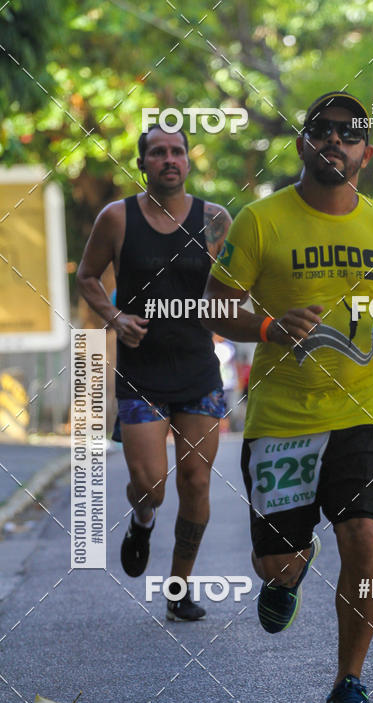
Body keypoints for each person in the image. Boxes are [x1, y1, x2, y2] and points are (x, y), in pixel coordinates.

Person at [203, 91, 373, 703]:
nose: (333, 141)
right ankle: (286, 576)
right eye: (321, 130)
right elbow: (214, 305)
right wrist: (267, 326)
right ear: (302, 145)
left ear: (365, 153)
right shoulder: (260, 221)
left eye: (348, 133)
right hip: (282, 418)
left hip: (363, 409)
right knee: (278, 563)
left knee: (364, 536)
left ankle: (349, 684)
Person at [77, 125, 233, 622]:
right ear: (142, 163)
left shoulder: (214, 220)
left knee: (196, 482)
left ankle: (179, 587)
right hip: (141, 374)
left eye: (178, 151)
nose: (170, 159)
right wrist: (115, 318)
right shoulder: (116, 219)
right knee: (152, 486)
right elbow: (87, 277)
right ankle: (142, 520)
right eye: (158, 152)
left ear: (188, 161)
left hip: (198, 371)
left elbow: (231, 286)